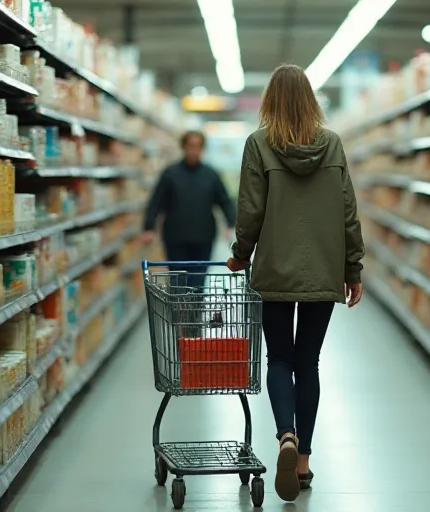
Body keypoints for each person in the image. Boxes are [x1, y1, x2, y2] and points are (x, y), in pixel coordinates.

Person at [226, 64, 364, 502]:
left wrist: (240, 254)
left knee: (280, 358)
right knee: (309, 363)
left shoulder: (258, 144)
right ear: (311, 100)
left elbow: (250, 209)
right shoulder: (333, 144)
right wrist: (353, 268)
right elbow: (348, 211)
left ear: (270, 100)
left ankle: (285, 434)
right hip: (323, 267)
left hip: (274, 269)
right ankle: (303, 459)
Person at [143, 130, 236, 296]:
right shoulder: (170, 174)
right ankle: (179, 312)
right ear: (183, 147)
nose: (194, 150)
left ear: (203, 149)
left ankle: (195, 311)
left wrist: (231, 223)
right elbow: (156, 202)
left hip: (204, 238)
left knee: (198, 283)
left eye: (198, 146)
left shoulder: (211, 175)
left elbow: (225, 201)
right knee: (178, 284)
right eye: (190, 146)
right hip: (175, 238)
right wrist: (149, 227)